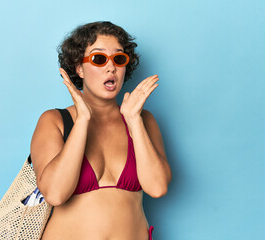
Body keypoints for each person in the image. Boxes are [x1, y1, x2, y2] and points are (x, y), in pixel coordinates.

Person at [30, 21, 172, 239]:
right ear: (79, 68)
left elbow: (157, 187)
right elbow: (55, 194)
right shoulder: (55, 120)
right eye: (99, 59)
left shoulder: (143, 119)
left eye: (119, 59)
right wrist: (83, 120)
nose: (111, 67)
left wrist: (133, 120)